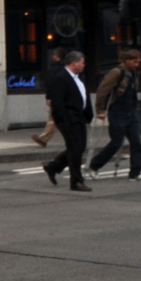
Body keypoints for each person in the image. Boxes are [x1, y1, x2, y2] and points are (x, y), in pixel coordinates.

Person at [88, 46, 141, 181]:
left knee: (137, 143)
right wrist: (100, 110)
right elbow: (102, 91)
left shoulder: (133, 73)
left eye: (138, 62)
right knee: (116, 143)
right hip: (117, 112)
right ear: (126, 60)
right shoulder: (116, 72)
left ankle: (136, 173)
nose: (136, 65)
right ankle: (94, 166)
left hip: (130, 112)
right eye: (134, 62)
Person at [42, 48, 93, 192]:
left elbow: (83, 97)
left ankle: (53, 167)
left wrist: (88, 115)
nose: (84, 65)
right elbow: (58, 102)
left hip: (80, 117)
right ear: (74, 63)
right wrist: (64, 119)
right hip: (69, 119)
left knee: (78, 147)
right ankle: (76, 181)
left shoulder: (78, 78)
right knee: (76, 149)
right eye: (82, 63)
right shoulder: (61, 78)